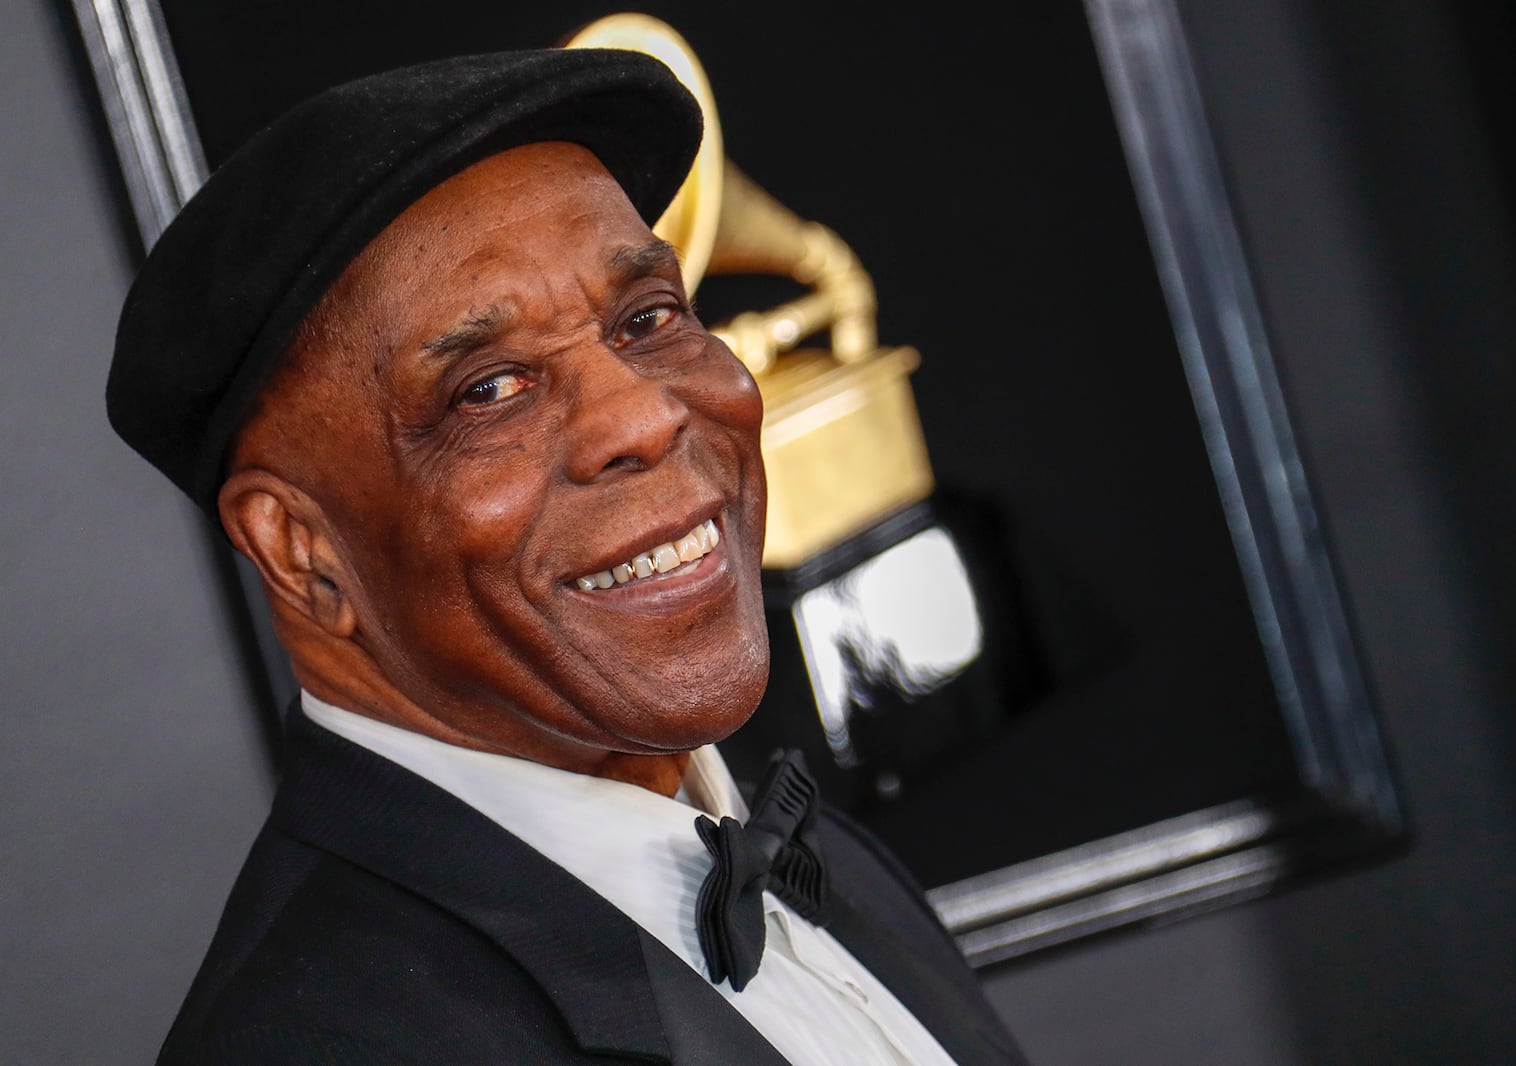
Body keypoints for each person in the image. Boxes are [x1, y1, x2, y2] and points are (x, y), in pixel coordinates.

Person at [107, 44, 1028, 1065]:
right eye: (490, 388)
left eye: (647, 319)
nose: (644, 413)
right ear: (301, 548)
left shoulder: (818, 856)